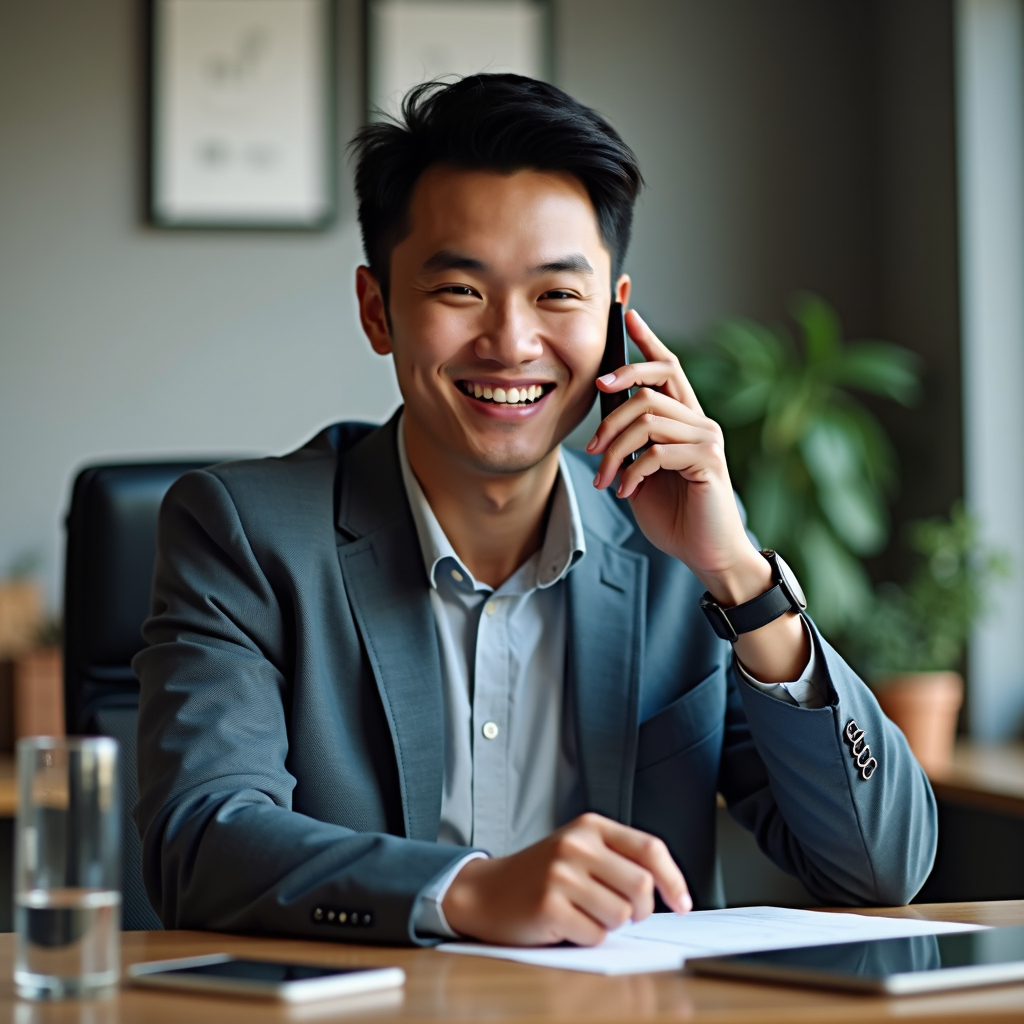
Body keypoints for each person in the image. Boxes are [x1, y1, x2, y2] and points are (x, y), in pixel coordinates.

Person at [133, 74, 937, 947]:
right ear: (378, 310)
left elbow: (881, 866)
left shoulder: (681, 556)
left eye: (558, 294)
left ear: (615, 320)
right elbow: (200, 842)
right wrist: (470, 893)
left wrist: (741, 578)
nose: (512, 342)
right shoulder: (245, 534)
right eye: (460, 291)